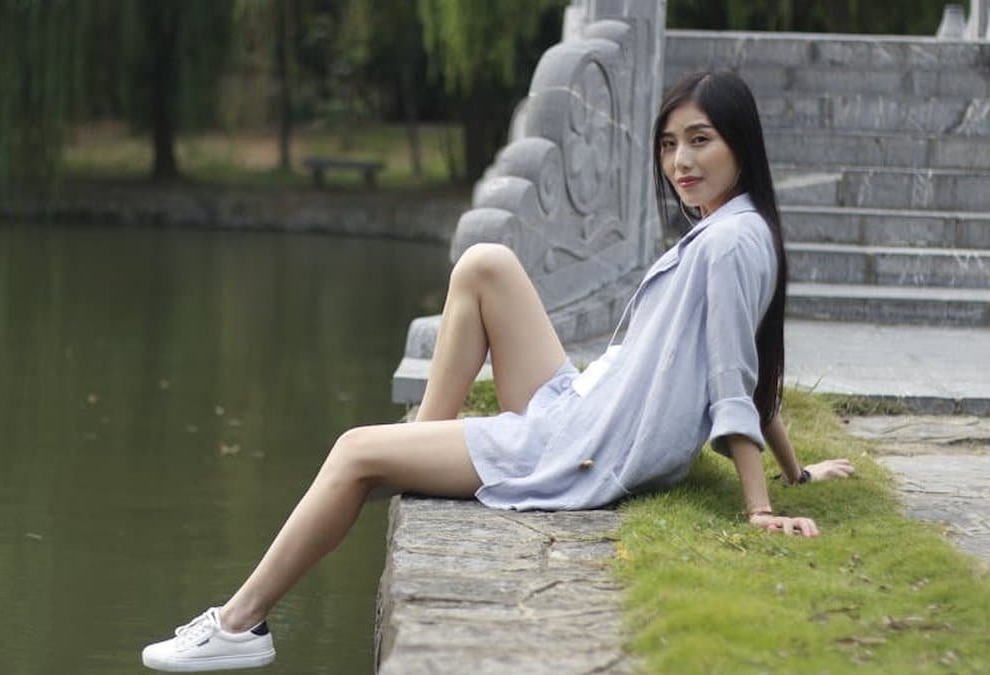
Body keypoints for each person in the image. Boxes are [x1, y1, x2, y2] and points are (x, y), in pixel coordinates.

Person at [140, 69, 856, 672]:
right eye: (670, 144)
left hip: (581, 447)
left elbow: (737, 373)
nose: (680, 162)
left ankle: (241, 626)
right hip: (583, 404)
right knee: (486, 264)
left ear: (742, 144)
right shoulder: (742, 227)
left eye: (701, 141)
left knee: (354, 451)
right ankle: (430, 439)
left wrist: (761, 505)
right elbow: (760, 368)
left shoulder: (727, 245)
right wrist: (797, 470)